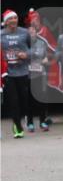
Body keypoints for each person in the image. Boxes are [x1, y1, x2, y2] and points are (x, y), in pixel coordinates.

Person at [1, 9, 31, 138]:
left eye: (15, 18)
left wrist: (26, 54)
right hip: (8, 73)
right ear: (6, 22)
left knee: (25, 100)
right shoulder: (1, 34)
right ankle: (17, 126)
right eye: (10, 19)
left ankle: (24, 119)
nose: (13, 21)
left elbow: (34, 48)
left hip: (23, 71)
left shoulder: (25, 33)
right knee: (14, 101)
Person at [26, 10, 57, 132]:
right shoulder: (24, 43)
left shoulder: (42, 42)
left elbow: (50, 52)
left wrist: (46, 58)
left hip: (40, 74)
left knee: (42, 98)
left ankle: (43, 121)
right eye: (30, 30)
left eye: (34, 30)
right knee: (29, 99)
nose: (32, 32)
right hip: (28, 75)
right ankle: (29, 123)